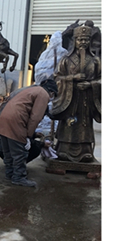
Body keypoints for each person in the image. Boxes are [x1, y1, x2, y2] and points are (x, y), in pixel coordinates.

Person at [50, 21, 101, 162]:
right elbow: (57, 78)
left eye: (86, 40)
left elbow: (101, 79)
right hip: (70, 99)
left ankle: (85, 151)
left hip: (86, 100)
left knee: (84, 124)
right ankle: (64, 150)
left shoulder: (95, 61)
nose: (83, 42)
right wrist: (72, 78)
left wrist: (90, 84)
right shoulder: (66, 60)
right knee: (68, 123)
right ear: (75, 41)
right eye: (80, 39)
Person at [0, 79, 58, 186]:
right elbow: (35, 117)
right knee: (20, 153)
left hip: (3, 117)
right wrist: (28, 135)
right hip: (16, 119)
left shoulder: (30, 89)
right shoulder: (43, 94)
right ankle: (19, 177)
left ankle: (9, 174)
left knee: (8, 152)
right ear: (52, 93)